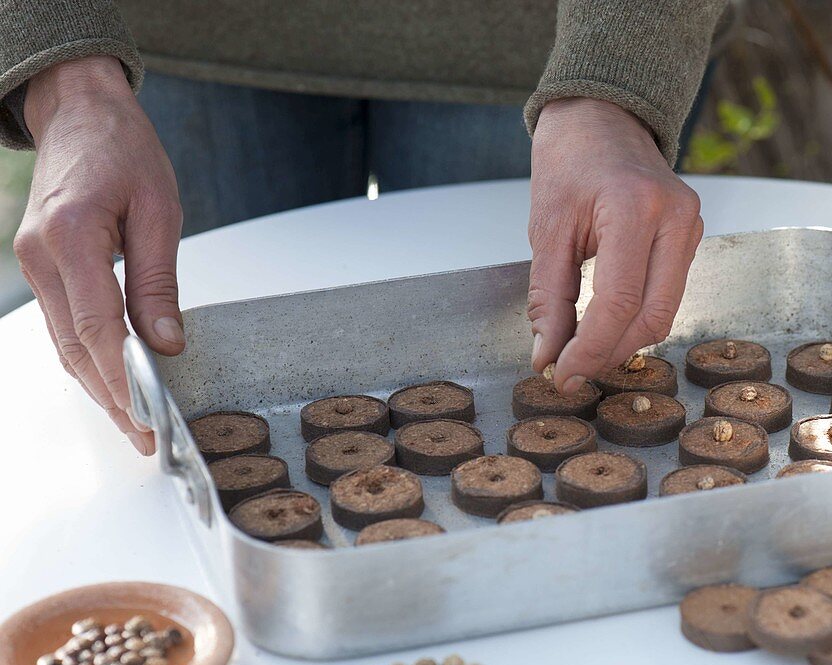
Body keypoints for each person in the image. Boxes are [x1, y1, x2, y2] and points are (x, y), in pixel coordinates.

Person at [1, 1, 729, 454]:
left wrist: (617, 84)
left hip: (538, 47)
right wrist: (64, 76)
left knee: (538, 340)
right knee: (201, 343)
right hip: (187, 43)